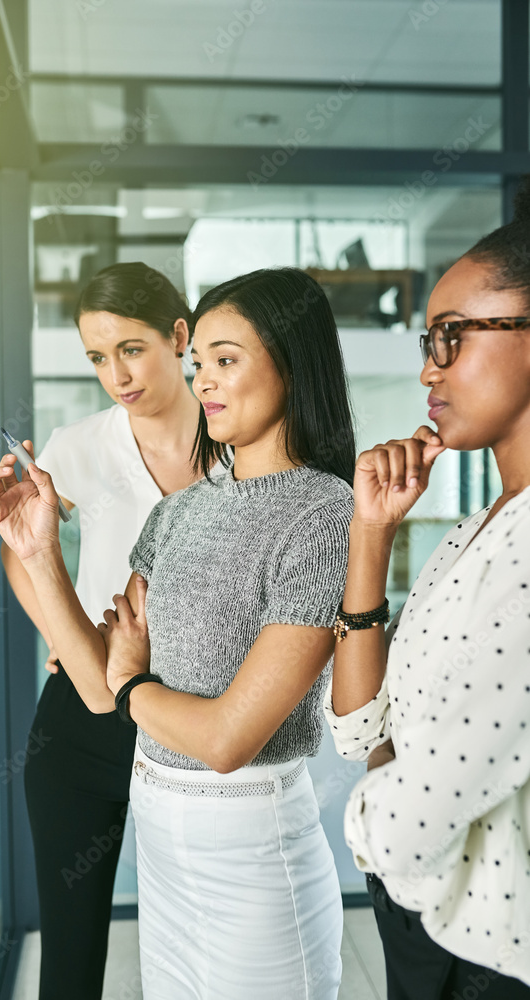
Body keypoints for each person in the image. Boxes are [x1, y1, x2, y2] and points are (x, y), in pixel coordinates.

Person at [0, 266, 356, 1000]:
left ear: (290, 359)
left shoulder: (321, 511)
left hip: (249, 844)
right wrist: (37, 552)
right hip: (163, 838)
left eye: (224, 361)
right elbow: (93, 688)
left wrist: (130, 682)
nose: (205, 383)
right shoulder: (180, 513)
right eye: (201, 367)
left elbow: (223, 739)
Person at [325, 180, 530, 998]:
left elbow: (413, 819)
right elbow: (355, 729)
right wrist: (369, 534)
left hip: (490, 960)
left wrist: (367, 826)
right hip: (424, 925)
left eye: (450, 338)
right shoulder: (472, 529)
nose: (424, 370)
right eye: (425, 341)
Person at [1, 262, 216, 1000]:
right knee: (69, 952)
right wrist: (62, 641)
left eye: (130, 348)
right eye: (97, 356)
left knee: (193, 944)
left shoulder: (236, 446)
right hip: (79, 724)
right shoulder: (80, 443)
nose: (115, 374)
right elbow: (19, 547)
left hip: (189, 716)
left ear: (178, 336)